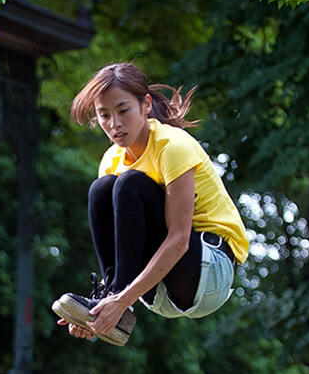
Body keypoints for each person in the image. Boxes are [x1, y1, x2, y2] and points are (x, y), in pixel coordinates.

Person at [52, 62, 250, 346]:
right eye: (104, 115)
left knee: (130, 183)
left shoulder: (173, 146)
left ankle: (116, 299)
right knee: (102, 188)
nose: (115, 124)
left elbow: (179, 239)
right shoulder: (111, 159)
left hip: (208, 275)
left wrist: (122, 301)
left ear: (145, 105)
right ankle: (107, 299)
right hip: (155, 288)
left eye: (123, 111)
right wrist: (94, 316)